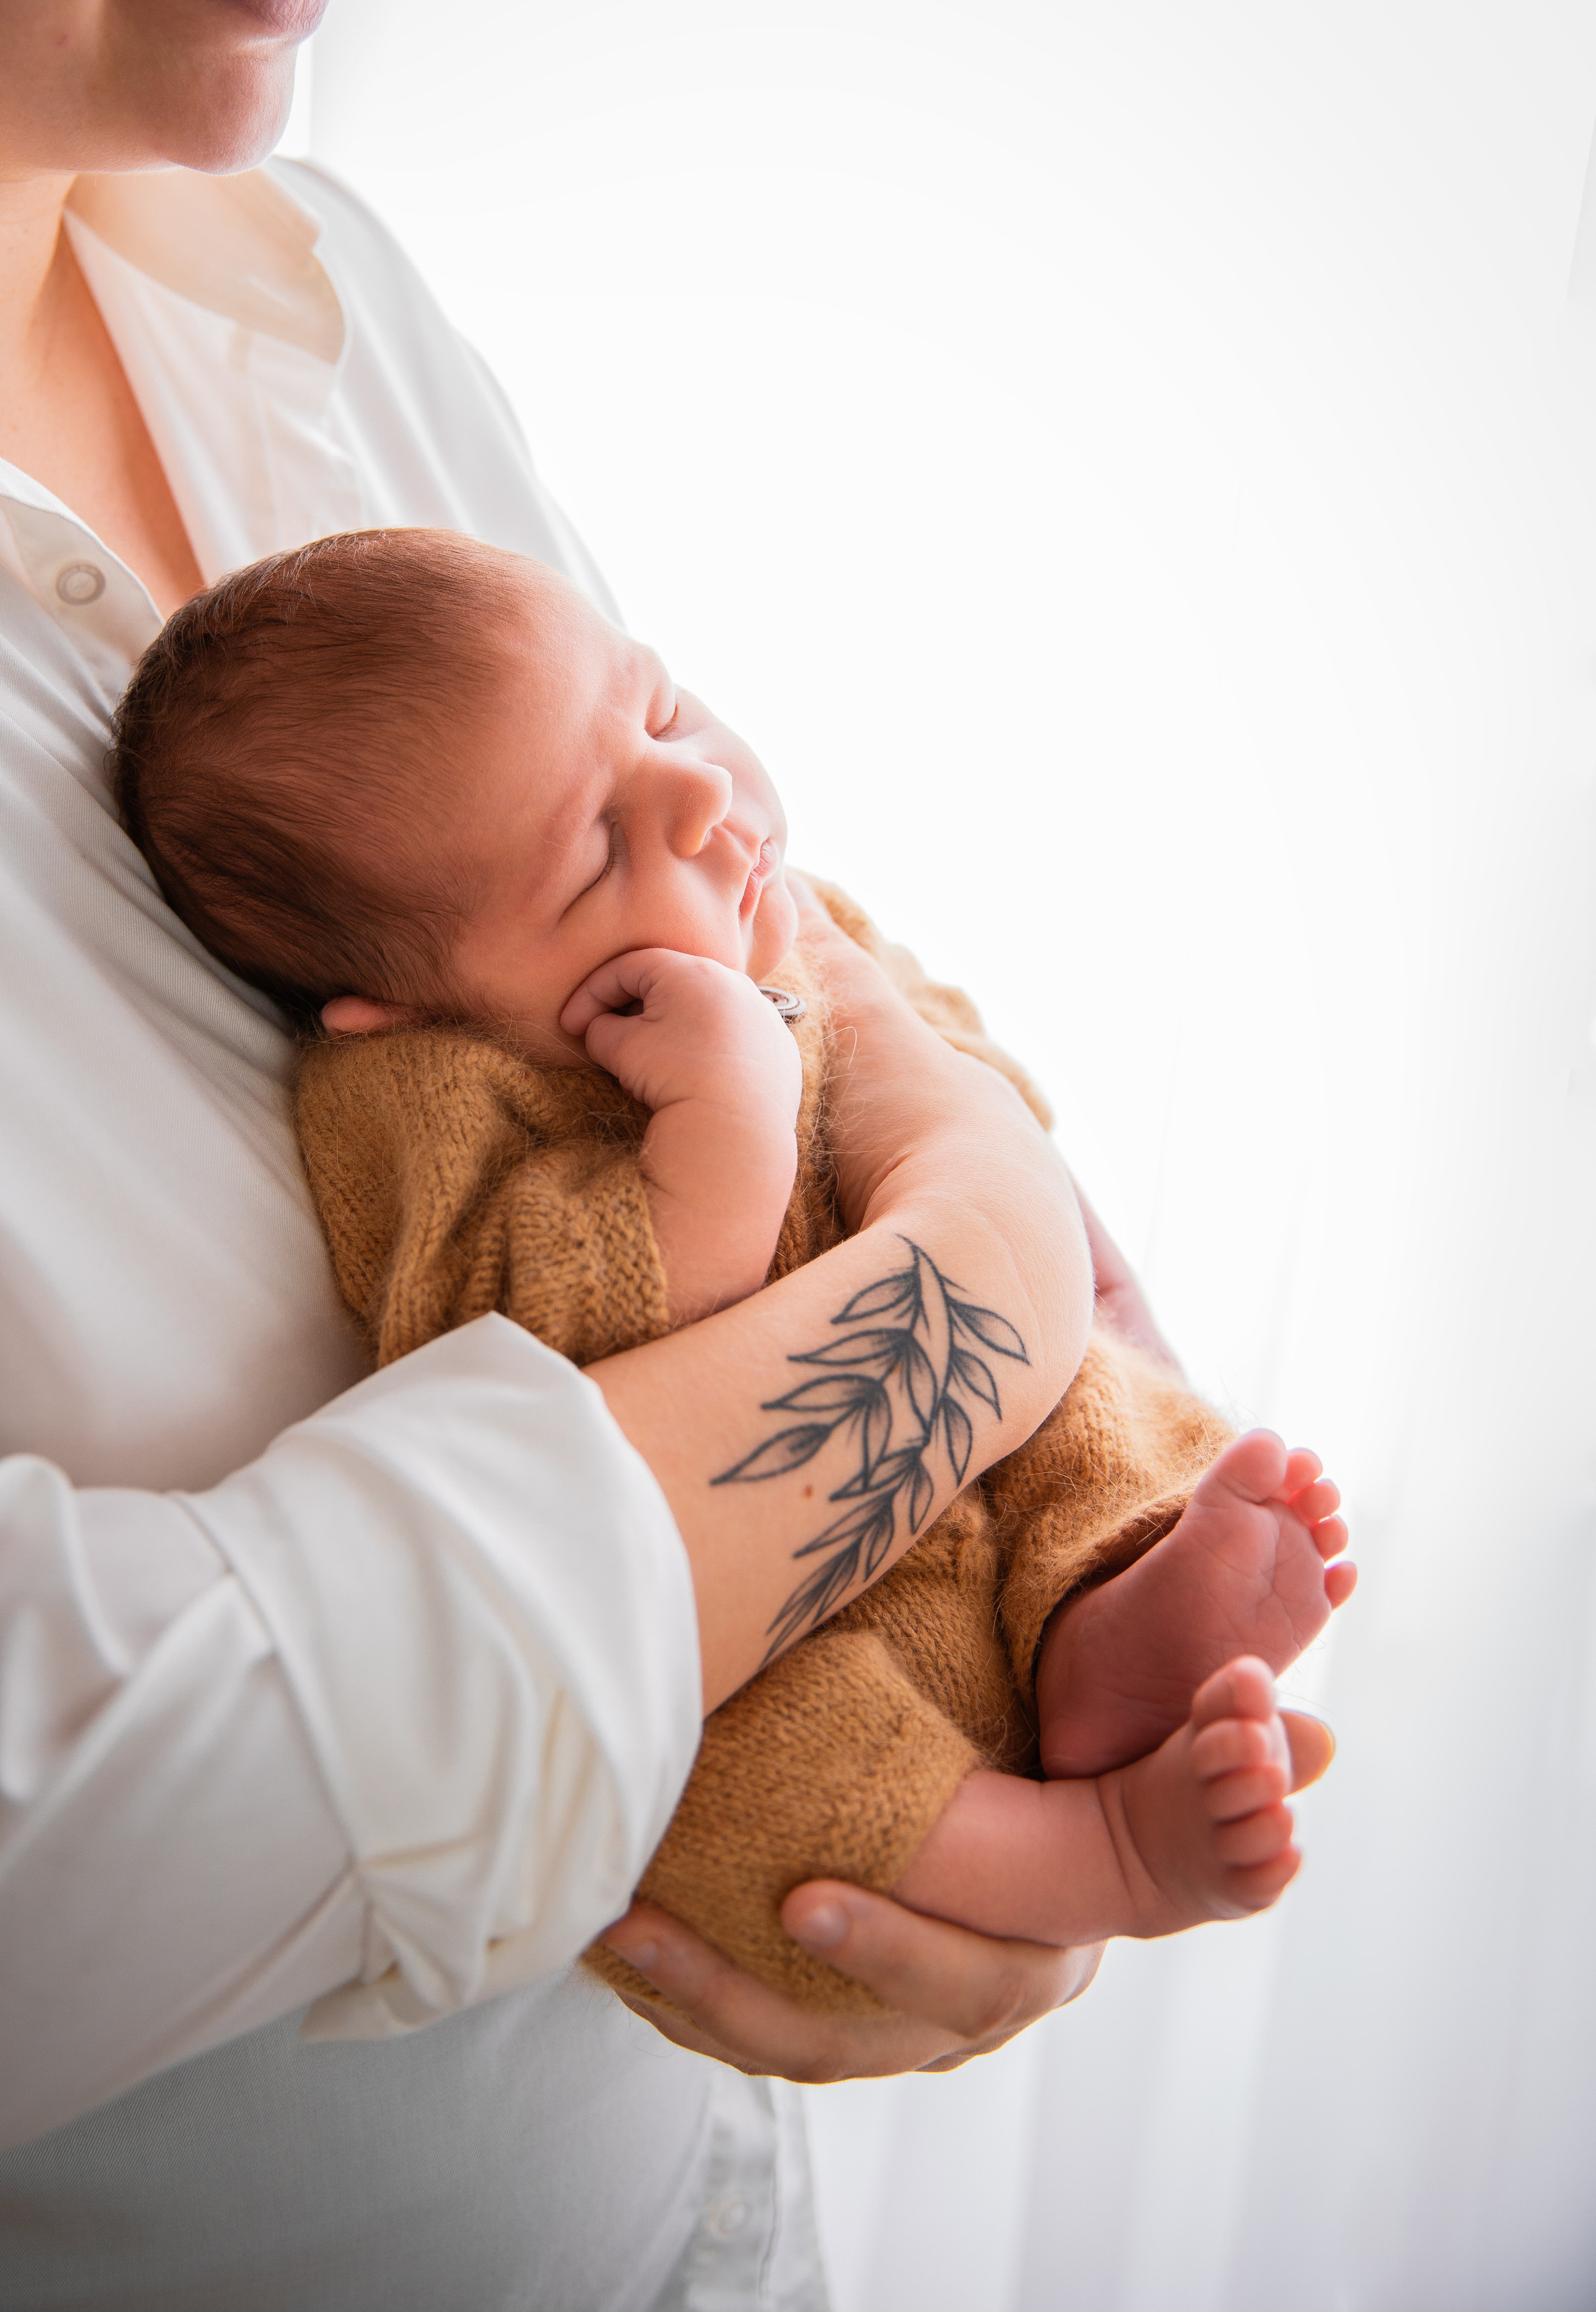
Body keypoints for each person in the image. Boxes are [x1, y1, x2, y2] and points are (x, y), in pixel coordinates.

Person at [0, 6, 1164, 2305]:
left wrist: (1002, 1228)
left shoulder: (302, 283)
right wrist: (990, 1282)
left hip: (715, 2200)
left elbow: (742, 896)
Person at [107, 528, 1354, 2019]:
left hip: (976, 1453)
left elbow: (987, 1090)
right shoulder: (424, 1101)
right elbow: (547, 1348)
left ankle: (1117, 1614)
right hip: (766, 1630)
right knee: (708, 1774)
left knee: (1094, 1419)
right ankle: (1091, 1848)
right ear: (392, 1006)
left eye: (657, 710)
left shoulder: (795, 917)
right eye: (591, 853)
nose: (697, 798)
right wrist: (728, 1127)